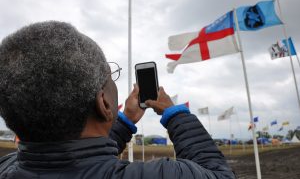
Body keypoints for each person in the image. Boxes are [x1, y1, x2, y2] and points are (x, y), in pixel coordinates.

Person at [0, 21, 235, 179]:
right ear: (103, 103)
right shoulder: (164, 173)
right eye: (110, 76)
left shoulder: (7, 167)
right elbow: (218, 173)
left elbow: (78, 161)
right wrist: (174, 113)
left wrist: (124, 120)